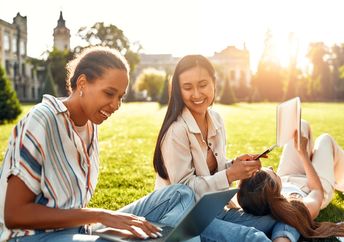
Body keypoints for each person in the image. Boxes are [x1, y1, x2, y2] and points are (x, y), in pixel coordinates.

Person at [0, 46, 196, 242]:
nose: (116, 105)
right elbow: (14, 215)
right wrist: (101, 216)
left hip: (81, 232)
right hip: (31, 238)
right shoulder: (43, 119)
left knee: (181, 194)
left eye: (120, 97)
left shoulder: (90, 126)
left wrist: (99, 223)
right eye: (109, 93)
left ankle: (158, 238)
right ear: (82, 83)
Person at [153, 54, 299, 242]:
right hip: (184, 218)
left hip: (214, 211)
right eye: (188, 88)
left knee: (286, 214)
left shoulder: (216, 120)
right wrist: (231, 175)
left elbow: (214, 170)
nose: (196, 94)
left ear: (214, 83)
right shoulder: (176, 131)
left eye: (203, 85)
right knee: (252, 237)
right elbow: (185, 191)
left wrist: (236, 165)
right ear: (179, 91)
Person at [237, 120, 344, 239]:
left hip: (287, 177)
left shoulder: (254, 197)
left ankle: (311, 156)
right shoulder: (297, 207)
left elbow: (238, 195)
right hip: (313, 185)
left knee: (299, 127)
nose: (272, 167)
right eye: (271, 171)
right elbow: (316, 191)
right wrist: (302, 153)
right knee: (325, 139)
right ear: (273, 187)